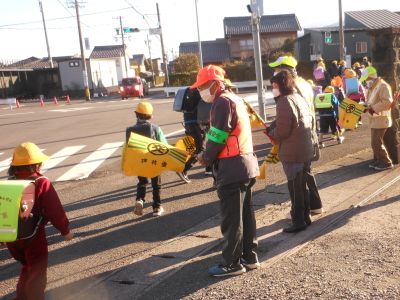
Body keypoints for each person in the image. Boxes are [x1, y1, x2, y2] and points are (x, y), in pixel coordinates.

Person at [193, 65, 259, 276]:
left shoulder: (222, 102)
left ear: (216, 83)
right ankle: (249, 257)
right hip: (246, 163)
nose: (201, 90)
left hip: (231, 167)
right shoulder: (236, 99)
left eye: (203, 85)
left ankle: (232, 263)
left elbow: (218, 135)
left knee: (232, 219)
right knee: (246, 215)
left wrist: (205, 156)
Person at [5, 142, 73, 299]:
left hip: (11, 238)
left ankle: (21, 297)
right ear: (36, 165)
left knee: (28, 267)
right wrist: (65, 230)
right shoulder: (41, 182)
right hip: (33, 236)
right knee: (37, 271)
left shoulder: (9, 182)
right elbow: (54, 209)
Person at [268, 56, 323, 216]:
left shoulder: (291, 87)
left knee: (297, 178)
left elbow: (289, 115)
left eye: (277, 69)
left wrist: (274, 131)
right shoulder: (304, 83)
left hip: (296, 136)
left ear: (285, 70)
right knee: (306, 172)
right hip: (308, 132)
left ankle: (300, 213)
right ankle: (314, 205)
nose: (275, 72)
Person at [267, 70, 314, 233]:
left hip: (293, 151)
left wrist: (271, 133)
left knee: (295, 188)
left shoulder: (284, 101)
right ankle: (306, 216)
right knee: (302, 186)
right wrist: (274, 125)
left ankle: (298, 220)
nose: (273, 88)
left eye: (274, 85)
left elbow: (283, 130)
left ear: (282, 85)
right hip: (305, 148)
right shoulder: (298, 97)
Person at [126, 101, 167, 216]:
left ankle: (140, 200)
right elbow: (163, 145)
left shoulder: (130, 130)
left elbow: (128, 148)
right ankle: (157, 207)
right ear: (150, 115)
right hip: (154, 161)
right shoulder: (155, 128)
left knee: (142, 182)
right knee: (156, 184)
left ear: (136, 114)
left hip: (139, 162)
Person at [360, 66, 394, 171]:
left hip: (381, 118)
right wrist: (365, 106)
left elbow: (387, 102)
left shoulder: (382, 86)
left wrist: (372, 108)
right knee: (374, 142)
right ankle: (380, 160)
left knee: (376, 142)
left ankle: (386, 162)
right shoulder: (374, 87)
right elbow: (371, 102)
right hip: (375, 119)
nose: (366, 81)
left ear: (372, 77)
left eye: (367, 79)